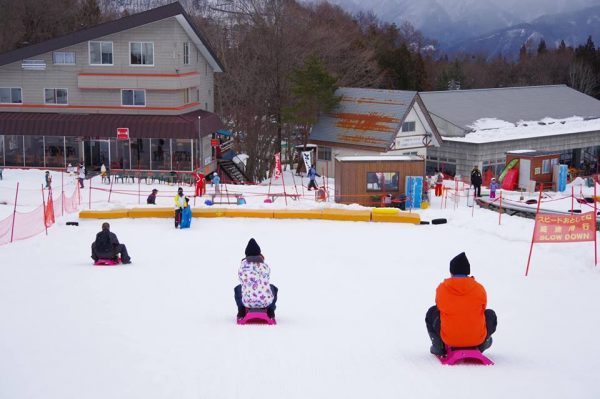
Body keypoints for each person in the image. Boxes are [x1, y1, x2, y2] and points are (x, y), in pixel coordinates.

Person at [425, 252, 497, 356]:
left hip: (449, 338)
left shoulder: (442, 288)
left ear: (452, 271)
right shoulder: (479, 288)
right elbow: (482, 308)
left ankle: (439, 346)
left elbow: (439, 307)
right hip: (476, 338)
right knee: (490, 314)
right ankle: (481, 345)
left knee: (432, 312)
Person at [234, 238, 278, 320]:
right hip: (265, 302)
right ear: (259, 253)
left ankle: (241, 310)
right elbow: (267, 279)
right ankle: (271, 311)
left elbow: (241, 280)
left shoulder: (243, 266)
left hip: (247, 302)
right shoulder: (265, 266)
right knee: (273, 287)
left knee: (238, 288)